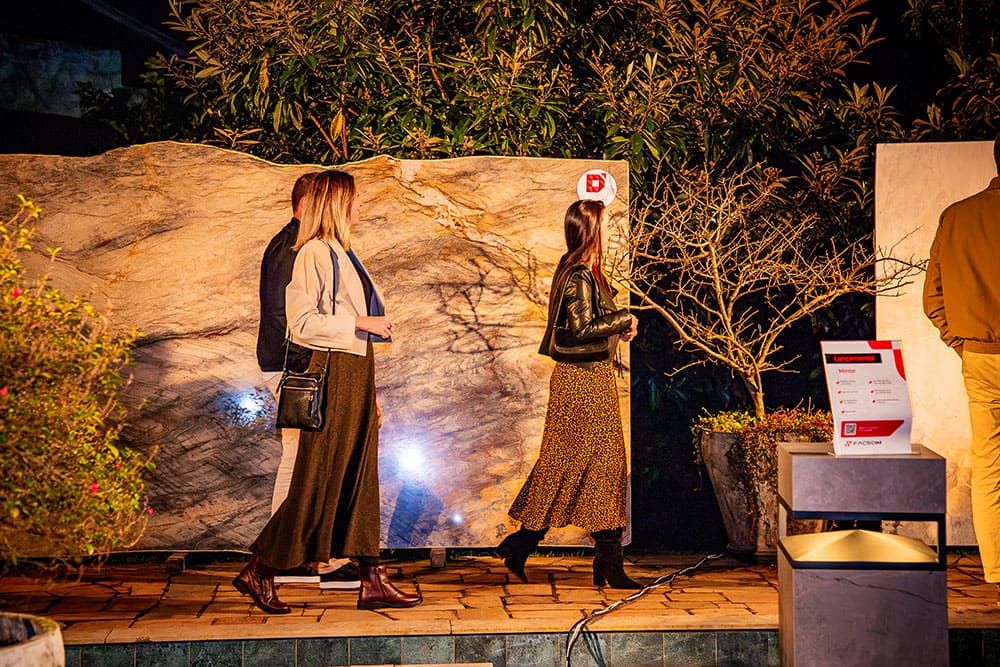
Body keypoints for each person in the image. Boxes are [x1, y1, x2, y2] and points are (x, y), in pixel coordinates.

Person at [234, 169, 421, 613]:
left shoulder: (340, 251)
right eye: (354, 200)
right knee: (318, 479)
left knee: (358, 475)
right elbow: (301, 324)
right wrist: (360, 322)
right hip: (334, 373)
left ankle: (371, 578)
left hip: (355, 371)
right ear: (336, 204)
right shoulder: (313, 253)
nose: (361, 207)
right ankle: (261, 568)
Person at [498, 199, 641, 589]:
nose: (608, 231)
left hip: (590, 379)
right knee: (595, 465)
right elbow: (581, 329)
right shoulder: (578, 275)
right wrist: (625, 317)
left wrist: (620, 325)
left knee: (585, 466)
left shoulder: (585, 272)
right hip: (582, 384)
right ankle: (603, 561)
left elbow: (592, 323)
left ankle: (526, 545)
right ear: (591, 229)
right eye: (604, 225)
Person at [255, 171, 359, 591]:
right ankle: (285, 558)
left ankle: (298, 556)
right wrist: (307, 368)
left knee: (302, 462)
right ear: (308, 204)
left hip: (297, 366)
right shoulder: (293, 248)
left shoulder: (300, 244)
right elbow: (287, 318)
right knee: (300, 462)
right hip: (296, 368)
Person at [922, 137, 1000, 600]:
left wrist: (964, 344)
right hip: (979, 352)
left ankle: (997, 570)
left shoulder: (957, 216)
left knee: (989, 464)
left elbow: (933, 300)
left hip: (981, 358)